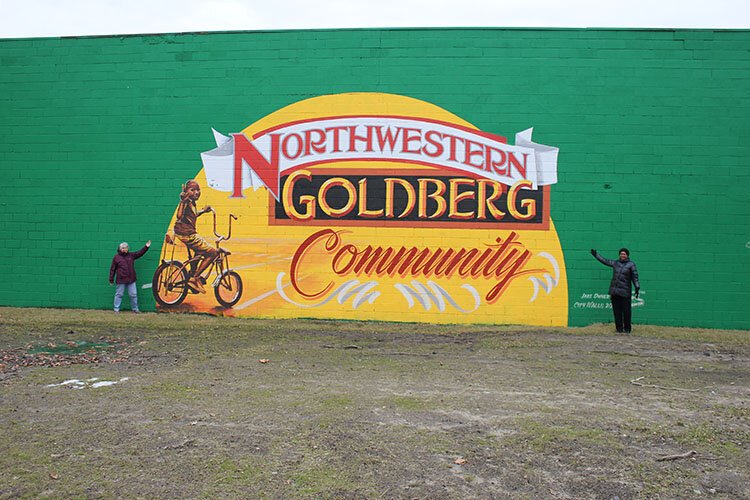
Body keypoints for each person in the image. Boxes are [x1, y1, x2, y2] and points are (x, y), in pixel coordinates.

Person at [173, 180, 218, 293]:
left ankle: (192, 272)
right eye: (192, 190)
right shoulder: (186, 202)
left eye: (198, 190)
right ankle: (194, 278)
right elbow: (179, 216)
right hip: (187, 234)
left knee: (200, 251)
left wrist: (203, 211)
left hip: (186, 233)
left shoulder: (192, 203)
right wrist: (182, 202)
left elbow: (193, 214)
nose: (196, 192)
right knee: (213, 252)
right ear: (186, 191)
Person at [591, 248, 640, 333]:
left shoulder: (631, 265)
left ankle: (627, 329)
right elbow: (605, 261)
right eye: (621, 254)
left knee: (626, 312)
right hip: (615, 292)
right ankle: (619, 329)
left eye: (624, 254)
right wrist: (596, 255)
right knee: (616, 311)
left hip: (625, 292)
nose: (622, 255)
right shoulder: (615, 263)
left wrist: (637, 287)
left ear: (627, 255)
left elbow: (635, 277)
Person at [109, 240, 151, 313]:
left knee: (133, 295)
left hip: (131, 279)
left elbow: (139, 253)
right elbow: (113, 269)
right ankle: (116, 309)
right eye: (123, 248)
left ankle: (135, 309)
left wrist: (146, 247)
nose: (125, 249)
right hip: (121, 280)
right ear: (120, 249)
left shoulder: (131, 255)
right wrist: (111, 279)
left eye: (126, 248)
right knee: (119, 294)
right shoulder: (116, 257)